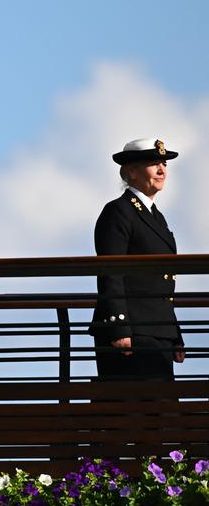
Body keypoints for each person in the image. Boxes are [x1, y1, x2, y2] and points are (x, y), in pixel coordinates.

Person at [90, 138, 185, 379]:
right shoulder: (118, 211)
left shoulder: (157, 217)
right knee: (135, 410)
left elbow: (163, 284)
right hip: (132, 331)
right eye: (154, 163)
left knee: (163, 412)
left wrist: (175, 334)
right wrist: (118, 327)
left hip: (157, 330)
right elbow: (111, 272)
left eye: (164, 163)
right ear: (131, 171)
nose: (162, 170)